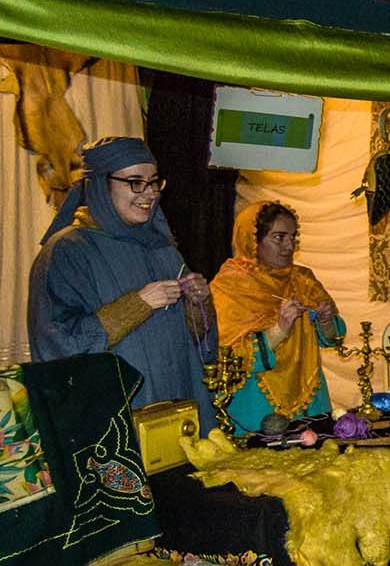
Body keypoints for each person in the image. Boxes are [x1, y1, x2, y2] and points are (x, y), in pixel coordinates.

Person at [27, 136, 216, 433]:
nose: (150, 194)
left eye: (154, 182)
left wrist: (197, 304)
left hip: (176, 412)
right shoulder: (68, 251)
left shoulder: (162, 248)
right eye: (135, 182)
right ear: (102, 184)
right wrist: (138, 304)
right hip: (115, 426)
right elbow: (57, 347)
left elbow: (196, 341)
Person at [209, 202, 345, 433]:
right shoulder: (231, 286)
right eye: (278, 237)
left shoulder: (303, 279)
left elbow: (333, 337)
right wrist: (279, 329)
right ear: (253, 241)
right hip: (255, 403)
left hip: (309, 399)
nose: (289, 246)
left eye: (293, 237)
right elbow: (227, 355)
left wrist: (324, 320)